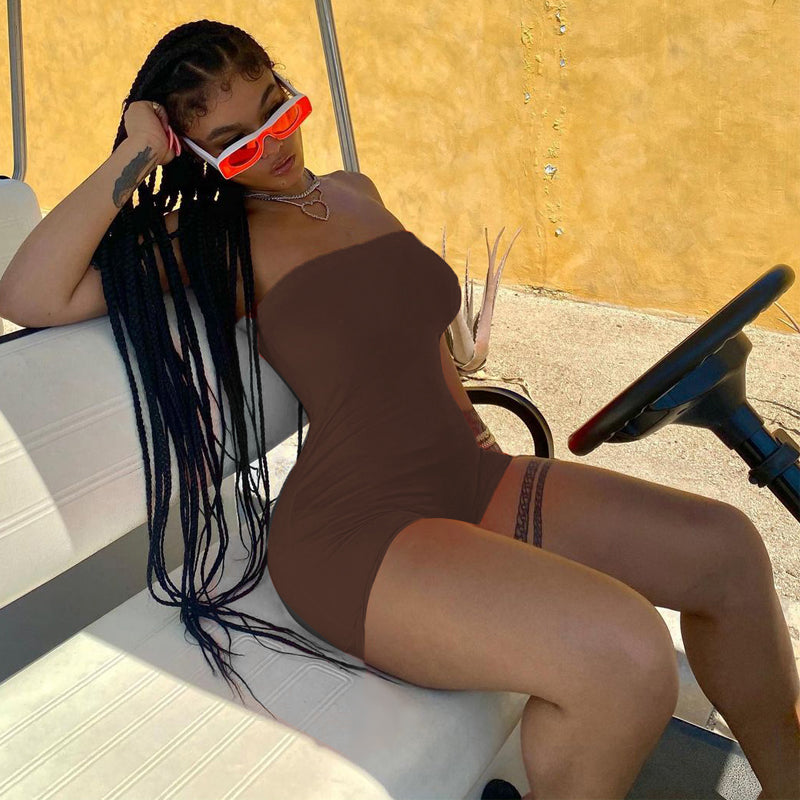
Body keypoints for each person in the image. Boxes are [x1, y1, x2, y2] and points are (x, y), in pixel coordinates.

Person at [1, 19, 796, 800]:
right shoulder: (215, 243)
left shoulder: (354, 192)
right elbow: (30, 293)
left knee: (725, 549)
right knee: (623, 658)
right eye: (237, 144)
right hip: (358, 530)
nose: (275, 144)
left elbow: (411, 337)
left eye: (280, 109)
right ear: (201, 158)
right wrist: (136, 152)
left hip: (473, 474)